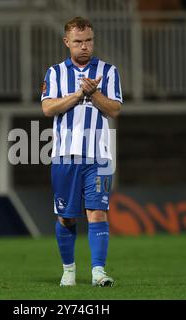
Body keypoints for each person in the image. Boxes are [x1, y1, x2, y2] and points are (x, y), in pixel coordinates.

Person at [40, 16, 123, 287]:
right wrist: (78, 95)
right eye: (78, 41)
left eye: (88, 40)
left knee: (97, 212)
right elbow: (48, 108)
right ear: (67, 42)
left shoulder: (108, 71)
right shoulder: (54, 73)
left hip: (98, 157)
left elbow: (114, 110)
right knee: (66, 217)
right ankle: (69, 271)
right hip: (65, 156)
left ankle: (99, 273)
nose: (84, 46)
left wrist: (94, 94)